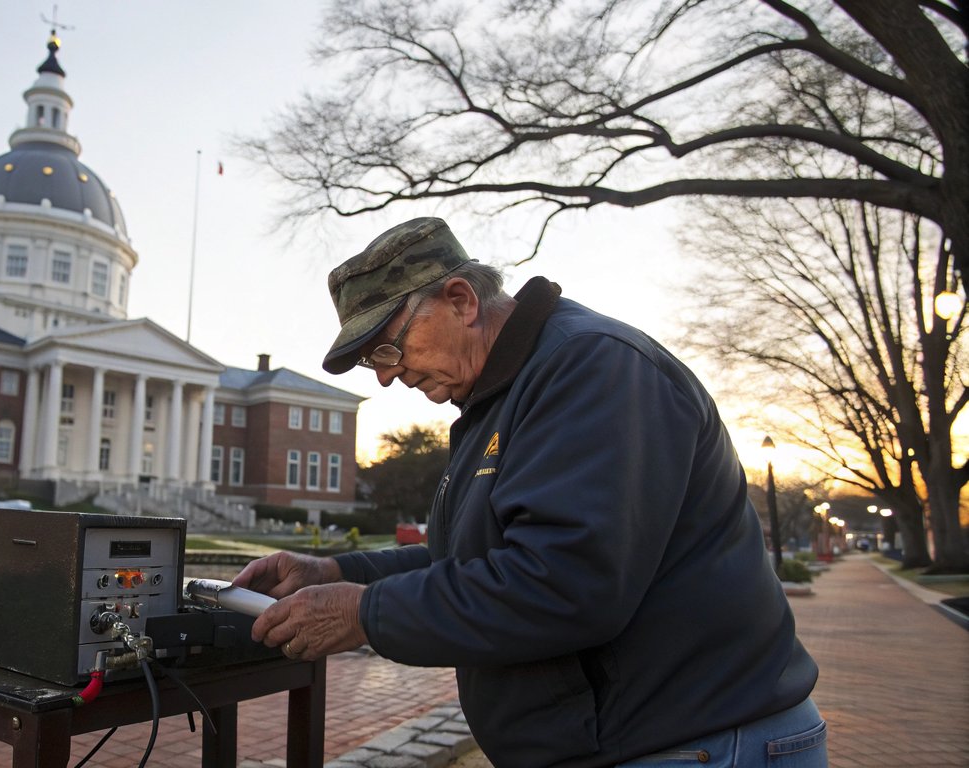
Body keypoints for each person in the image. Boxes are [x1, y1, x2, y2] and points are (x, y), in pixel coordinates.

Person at [232, 218, 826, 767]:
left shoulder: (592, 368)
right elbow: (481, 562)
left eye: (387, 347)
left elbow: (563, 582)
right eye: (371, 363)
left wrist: (363, 612)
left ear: (460, 300)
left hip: (693, 744)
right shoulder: (503, 396)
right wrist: (335, 570)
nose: (387, 374)